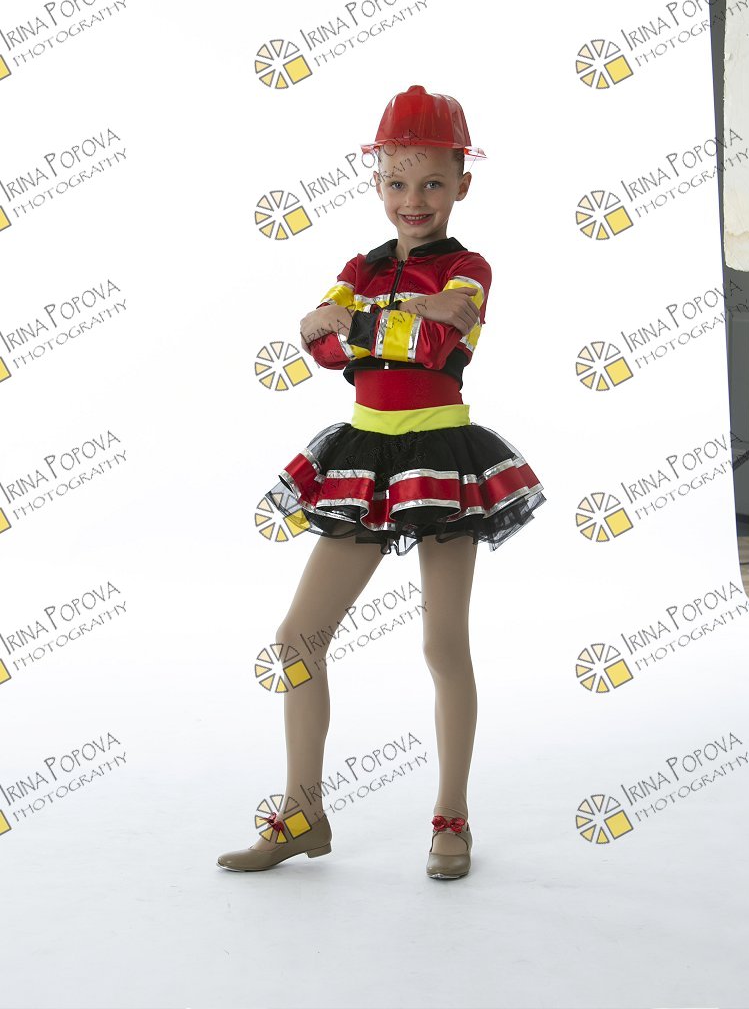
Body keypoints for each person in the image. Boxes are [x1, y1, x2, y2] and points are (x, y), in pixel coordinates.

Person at [217, 85, 546, 878]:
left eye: (432, 182)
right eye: (397, 182)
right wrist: (363, 327)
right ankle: (302, 812)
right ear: (376, 183)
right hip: (363, 459)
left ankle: (452, 816)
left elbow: (439, 338)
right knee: (298, 639)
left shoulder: (468, 267)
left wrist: (355, 327)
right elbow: (317, 345)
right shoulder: (359, 267)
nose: (414, 199)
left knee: (442, 642)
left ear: (462, 183)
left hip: (440, 462)